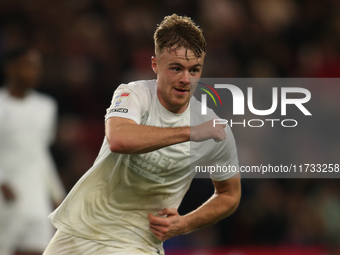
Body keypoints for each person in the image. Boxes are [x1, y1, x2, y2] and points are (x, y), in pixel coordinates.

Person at [44, 14, 241, 255]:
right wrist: (190, 132)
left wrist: (184, 224)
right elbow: (119, 139)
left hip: (135, 244)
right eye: (176, 68)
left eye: (195, 69)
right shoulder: (133, 94)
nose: (185, 79)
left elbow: (229, 194)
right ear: (155, 64)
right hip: (79, 231)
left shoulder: (213, 128)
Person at [0, 47, 66, 255]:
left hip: (36, 197)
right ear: (11, 69)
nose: (35, 72)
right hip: (5, 196)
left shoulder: (46, 107)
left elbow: (41, 152)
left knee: (39, 249)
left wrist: (56, 193)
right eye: (29, 66)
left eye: (38, 67)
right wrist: (1, 181)